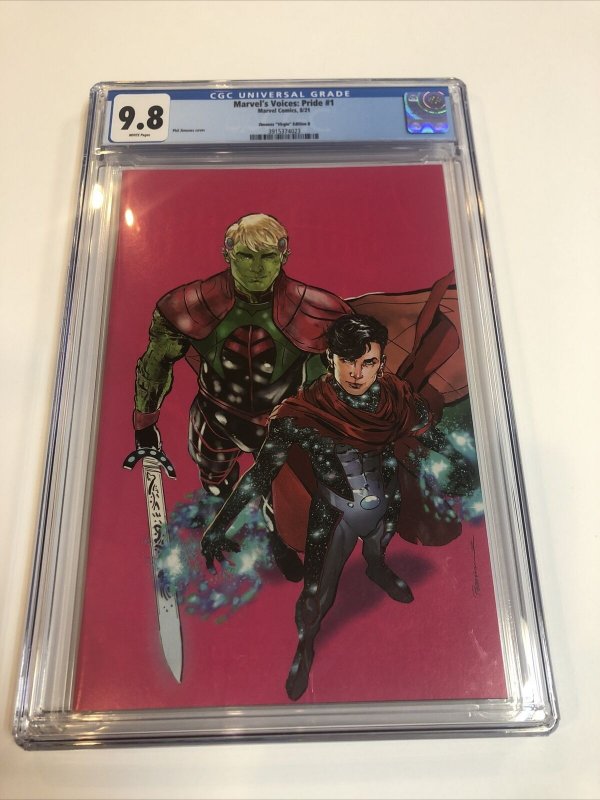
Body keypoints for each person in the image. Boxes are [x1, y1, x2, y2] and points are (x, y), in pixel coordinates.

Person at [201, 313, 460, 701]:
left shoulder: (397, 397)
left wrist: (461, 462)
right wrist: (219, 526)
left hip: (386, 497)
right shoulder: (301, 414)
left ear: (381, 363)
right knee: (315, 594)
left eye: (367, 362)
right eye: (347, 360)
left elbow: (428, 432)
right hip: (334, 514)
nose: (356, 373)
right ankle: (305, 647)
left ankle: (375, 567)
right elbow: (260, 474)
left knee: (378, 545)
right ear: (330, 359)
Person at [132, 213, 352, 582]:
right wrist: (144, 423)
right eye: (246, 257)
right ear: (228, 253)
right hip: (214, 417)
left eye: (267, 256)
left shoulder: (320, 310)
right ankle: (228, 513)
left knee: (279, 493)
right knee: (215, 481)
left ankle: (276, 536)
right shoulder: (189, 304)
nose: (256, 268)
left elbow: (354, 367)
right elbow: (155, 364)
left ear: (283, 254)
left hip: (279, 420)